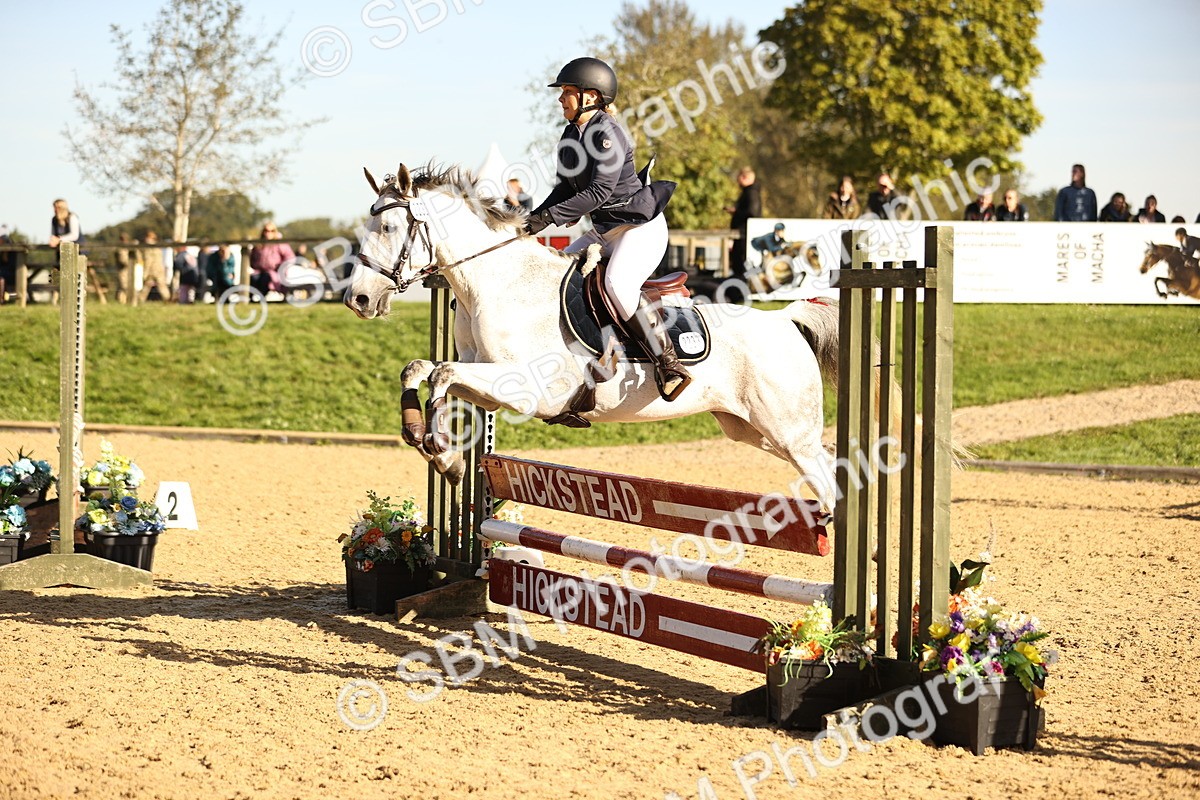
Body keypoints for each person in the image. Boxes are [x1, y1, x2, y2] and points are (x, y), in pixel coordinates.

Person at [525, 56, 687, 402]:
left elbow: (598, 192)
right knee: (555, 275)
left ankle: (668, 362)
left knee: (617, 284)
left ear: (591, 96)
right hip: (604, 231)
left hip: (638, 229)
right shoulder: (571, 135)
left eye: (567, 92)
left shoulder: (607, 134)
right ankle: (588, 355)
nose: (560, 99)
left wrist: (549, 218)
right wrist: (531, 221)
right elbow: (565, 189)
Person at [725, 166, 761, 278]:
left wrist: (736, 212)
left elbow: (752, 212)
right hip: (743, 234)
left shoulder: (751, 193)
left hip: (744, 235)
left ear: (744, 177)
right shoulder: (749, 192)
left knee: (741, 265)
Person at [250, 222, 295, 296]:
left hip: (274, 273)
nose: (268, 233)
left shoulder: (279, 244)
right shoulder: (258, 245)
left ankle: (262, 297)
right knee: (252, 279)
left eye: (272, 231)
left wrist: (282, 267)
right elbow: (252, 259)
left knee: (265, 279)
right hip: (258, 272)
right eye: (266, 230)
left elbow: (290, 257)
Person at [139, 230, 170, 302]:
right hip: (159, 269)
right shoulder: (158, 247)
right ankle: (168, 299)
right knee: (162, 286)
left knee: (146, 286)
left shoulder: (148, 248)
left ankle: (140, 300)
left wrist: (145, 273)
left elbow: (148, 260)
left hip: (151, 270)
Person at [0, 225, 16, 304]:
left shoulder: (12, 249)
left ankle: (1, 300)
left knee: (1, 278)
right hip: (5, 273)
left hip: (12, 275)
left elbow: (12, 266)